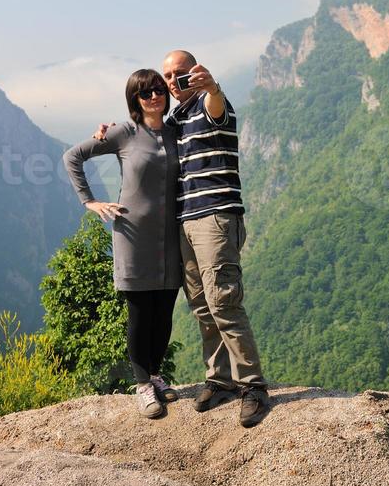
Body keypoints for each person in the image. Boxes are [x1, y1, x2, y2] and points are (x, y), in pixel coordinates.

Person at [95, 51, 270, 428]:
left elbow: (217, 103)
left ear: (195, 72)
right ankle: (219, 378)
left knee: (224, 301)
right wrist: (107, 133)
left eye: (180, 74)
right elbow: (144, 136)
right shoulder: (174, 119)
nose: (173, 82)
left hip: (215, 220)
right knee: (202, 306)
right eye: (167, 77)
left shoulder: (210, 105)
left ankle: (253, 386)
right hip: (184, 223)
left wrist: (213, 86)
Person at [64, 69, 182, 419]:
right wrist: (90, 201)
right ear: (135, 99)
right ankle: (143, 384)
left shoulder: (176, 131)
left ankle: (157, 375)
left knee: (164, 310)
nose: (154, 97)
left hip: (172, 235)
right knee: (140, 310)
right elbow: (72, 157)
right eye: (145, 93)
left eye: (159, 90)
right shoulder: (125, 132)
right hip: (133, 235)